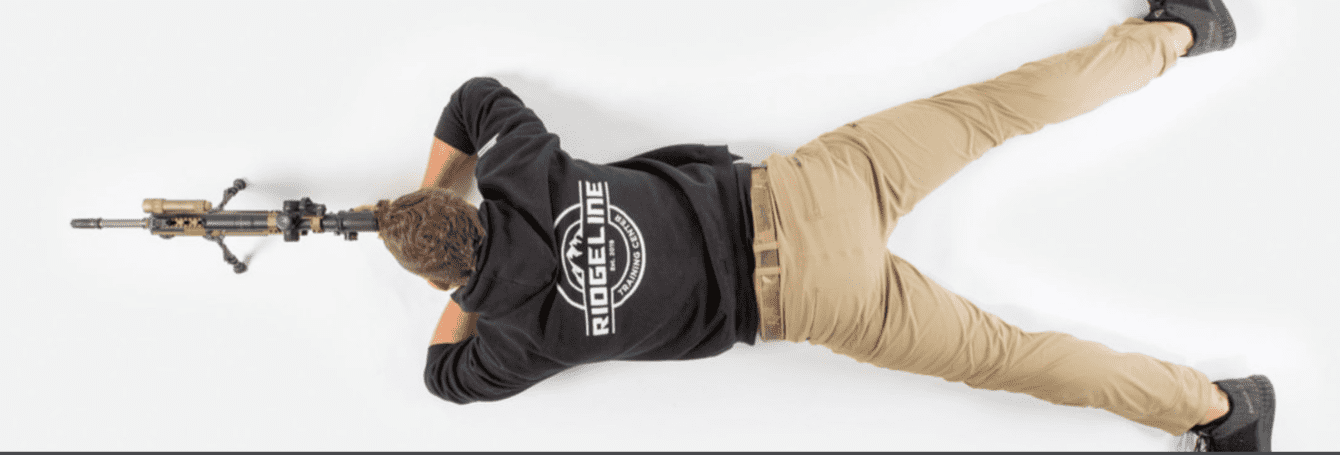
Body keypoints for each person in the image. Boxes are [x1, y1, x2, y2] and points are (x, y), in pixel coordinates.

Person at [371, 0, 1273, 451]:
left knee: (1013, 357)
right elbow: (475, 97)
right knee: (997, 110)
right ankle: (1183, 32)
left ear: (444, 281)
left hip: (815, 300)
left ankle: (1221, 411)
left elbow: (443, 377)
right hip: (807, 190)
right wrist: (433, 193)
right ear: (471, 202)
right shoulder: (526, 173)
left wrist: (471, 289)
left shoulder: (522, 338)